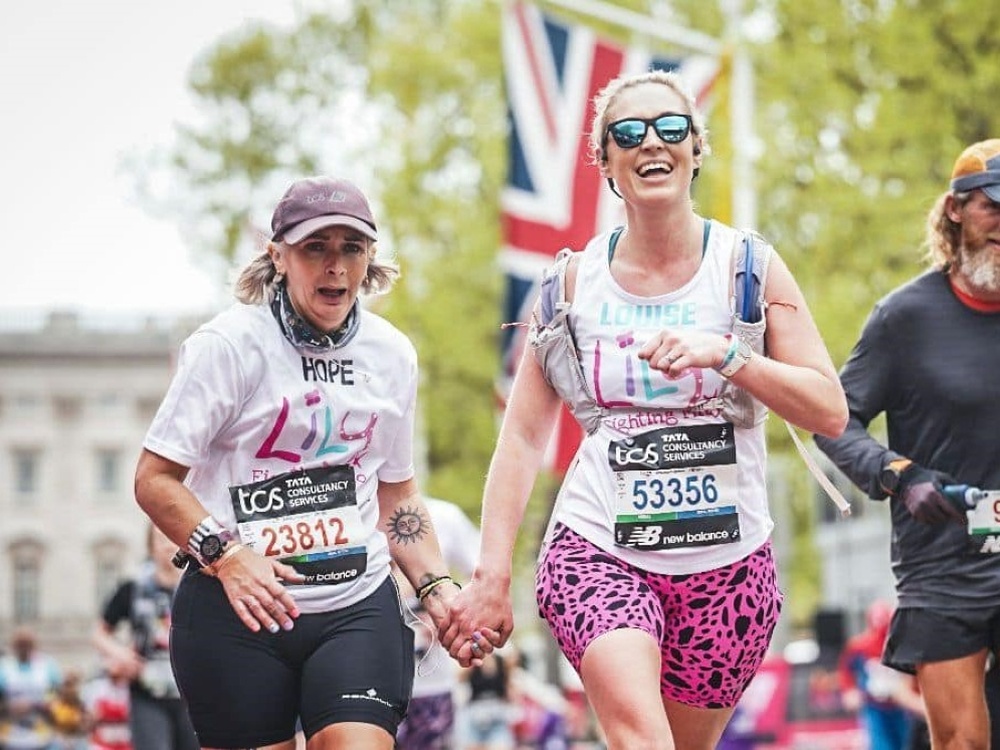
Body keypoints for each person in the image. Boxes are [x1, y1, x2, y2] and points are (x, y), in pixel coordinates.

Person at [440, 69, 848, 750]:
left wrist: (726, 353)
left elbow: (829, 409)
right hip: (599, 546)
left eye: (670, 127)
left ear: (696, 147)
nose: (650, 142)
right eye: (627, 133)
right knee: (639, 737)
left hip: (729, 565)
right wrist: (490, 576)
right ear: (604, 162)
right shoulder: (568, 286)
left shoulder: (749, 266)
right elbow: (520, 442)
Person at [133, 176, 498, 750]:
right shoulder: (227, 346)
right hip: (238, 614)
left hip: (355, 606)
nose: (335, 266)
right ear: (278, 256)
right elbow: (154, 480)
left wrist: (436, 589)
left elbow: (397, 496)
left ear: (369, 258)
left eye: (350, 248)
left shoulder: (391, 354)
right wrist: (227, 557)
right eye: (314, 248)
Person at [814, 138, 1000, 750]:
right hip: (943, 567)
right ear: (956, 210)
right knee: (964, 743)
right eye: (991, 206)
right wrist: (901, 474)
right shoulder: (905, 318)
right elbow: (832, 419)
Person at [92, 523, 199, 750]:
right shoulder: (133, 589)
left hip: (192, 694)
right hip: (147, 693)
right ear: (151, 547)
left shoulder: (198, 587)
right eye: (160, 540)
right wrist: (120, 654)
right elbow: (100, 633)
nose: (167, 546)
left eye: (172, 538)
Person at [395, 497, 480, 750]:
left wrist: (452, 610)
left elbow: (481, 575)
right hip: (364, 680)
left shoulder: (444, 516)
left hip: (430, 684)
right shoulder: (354, 511)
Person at [837, 600, 924, 750]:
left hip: (901, 708)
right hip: (874, 707)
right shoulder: (859, 647)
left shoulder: (904, 647)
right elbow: (845, 671)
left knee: (905, 743)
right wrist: (849, 691)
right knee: (880, 743)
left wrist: (910, 696)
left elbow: (914, 677)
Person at [0, 628, 62, 750]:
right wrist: (8, 706)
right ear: (14, 646)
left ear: (34, 645)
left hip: (42, 736)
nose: (24, 648)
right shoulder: (4, 667)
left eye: (27, 644)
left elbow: (55, 696)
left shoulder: (47, 666)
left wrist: (35, 705)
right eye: (20, 644)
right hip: (9, 737)